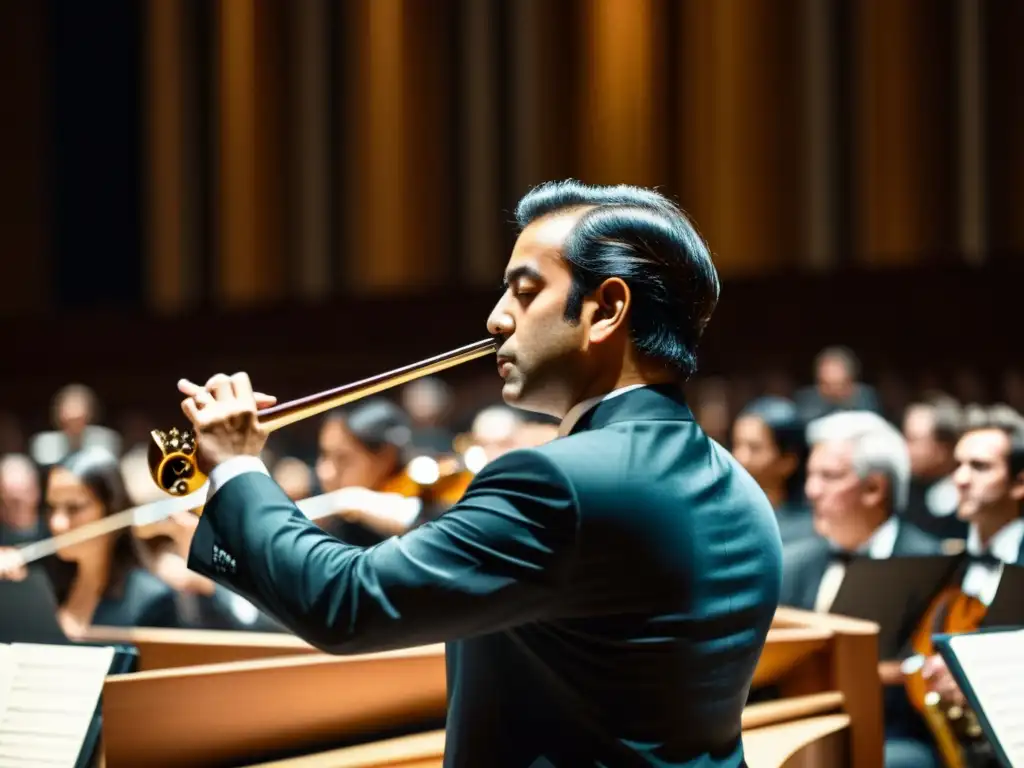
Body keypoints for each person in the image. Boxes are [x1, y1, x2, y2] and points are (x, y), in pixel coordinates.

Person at [176, 180, 783, 767]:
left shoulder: (556, 482)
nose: (496, 319)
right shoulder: (738, 486)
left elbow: (346, 601)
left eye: (524, 292)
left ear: (607, 310)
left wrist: (235, 466)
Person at [779, 411, 942, 768]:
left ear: (874, 489)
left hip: (896, 742)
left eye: (829, 476)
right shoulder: (792, 564)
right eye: (811, 474)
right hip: (799, 732)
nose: (811, 490)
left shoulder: (934, 566)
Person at [0, 447, 180, 636]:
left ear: (112, 510)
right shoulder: (35, 580)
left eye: (74, 508)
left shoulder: (153, 601)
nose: (57, 523)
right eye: (52, 508)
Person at [730, 397, 815, 547]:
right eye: (737, 444)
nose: (739, 457)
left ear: (787, 461)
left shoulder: (808, 532)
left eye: (754, 448)